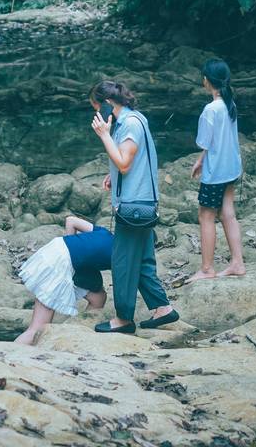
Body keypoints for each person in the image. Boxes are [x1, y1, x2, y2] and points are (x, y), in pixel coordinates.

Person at [89, 80, 179, 334]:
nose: (95, 114)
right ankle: (162, 308)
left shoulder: (128, 124)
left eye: (96, 107)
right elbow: (128, 163)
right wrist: (113, 176)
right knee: (143, 260)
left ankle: (124, 319)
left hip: (133, 205)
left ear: (107, 105)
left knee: (123, 262)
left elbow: (125, 163)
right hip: (143, 201)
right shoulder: (134, 118)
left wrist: (104, 135)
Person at [186, 58, 246, 282]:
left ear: (206, 81)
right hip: (231, 167)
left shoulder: (210, 109)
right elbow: (219, 141)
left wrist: (202, 156)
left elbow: (204, 141)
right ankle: (237, 262)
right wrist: (201, 160)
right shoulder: (230, 103)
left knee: (206, 216)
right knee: (228, 212)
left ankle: (207, 269)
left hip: (217, 172)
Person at [14, 215, 111, 345]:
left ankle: (78, 336)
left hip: (58, 249)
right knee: (37, 329)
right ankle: (6, 355)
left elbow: (71, 221)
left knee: (98, 297)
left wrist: (72, 246)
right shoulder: (122, 255)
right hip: (58, 263)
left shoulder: (105, 233)